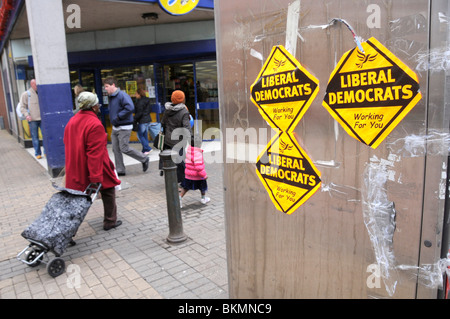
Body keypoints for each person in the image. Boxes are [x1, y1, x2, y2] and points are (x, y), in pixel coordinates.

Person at [64, 91, 122, 231]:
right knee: (108, 191)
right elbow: (94, 153)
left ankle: (68, 231)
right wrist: (95, 177)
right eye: (98, 104)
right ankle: (110, 221)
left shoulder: (72, 121)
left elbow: (67, 143)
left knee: (76, 200)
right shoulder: (95, 124)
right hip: (94, 166)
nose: (99, 106)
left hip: (75, 166)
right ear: (93, 106)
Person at [103, 77, 149, 176]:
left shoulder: (122, 95)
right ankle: (120, 170)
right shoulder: (111, 96)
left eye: (107, 86)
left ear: (113, 85)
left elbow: (130, 107)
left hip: (124, 127)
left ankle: (144, 158)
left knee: (124, 148)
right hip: (116, 127)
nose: (105, 89)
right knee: (115, 149)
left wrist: (118, 117)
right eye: (105, 87)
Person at [160, 90, 192, 183]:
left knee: (172, 159)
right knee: (180, 160)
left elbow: (163, 123)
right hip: (178, 140)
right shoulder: (183, 111)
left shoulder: (168, 109)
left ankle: (173, 178)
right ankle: (183, 181)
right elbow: (187, 127)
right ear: (183, 99)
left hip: (168, 139)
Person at [179, 135, 210, 208]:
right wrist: (204, 175)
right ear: (199, 144)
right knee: (202, 187)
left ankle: (179, 198)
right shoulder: (197, 153)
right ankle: (203, 198)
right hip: (198, 176)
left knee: (185, 188)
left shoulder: (189, 151)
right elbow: (199, 167)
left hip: (189, 175)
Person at [20, 79, 43, 159]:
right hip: (32, 120)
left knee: (45, 136)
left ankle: (46, 152)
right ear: (32, 84)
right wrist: (27, 115)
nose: (37, 86)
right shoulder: (26, 94)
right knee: (35, 137)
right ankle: (38, 153)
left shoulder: (41, 93)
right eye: (36, 85)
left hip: (42, 119)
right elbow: (22, 107)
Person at [133, 88, 152, 154]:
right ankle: (145, 150)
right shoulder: (147, 100)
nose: (135, 95)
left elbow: (139, 113)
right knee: (145, 135)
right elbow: (149, 110)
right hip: (147, 120)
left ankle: (148, 148)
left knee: (140, 135)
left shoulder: (140, 102)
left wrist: (134, 118)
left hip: (142, 121)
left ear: (139, 94)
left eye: (136, 94)